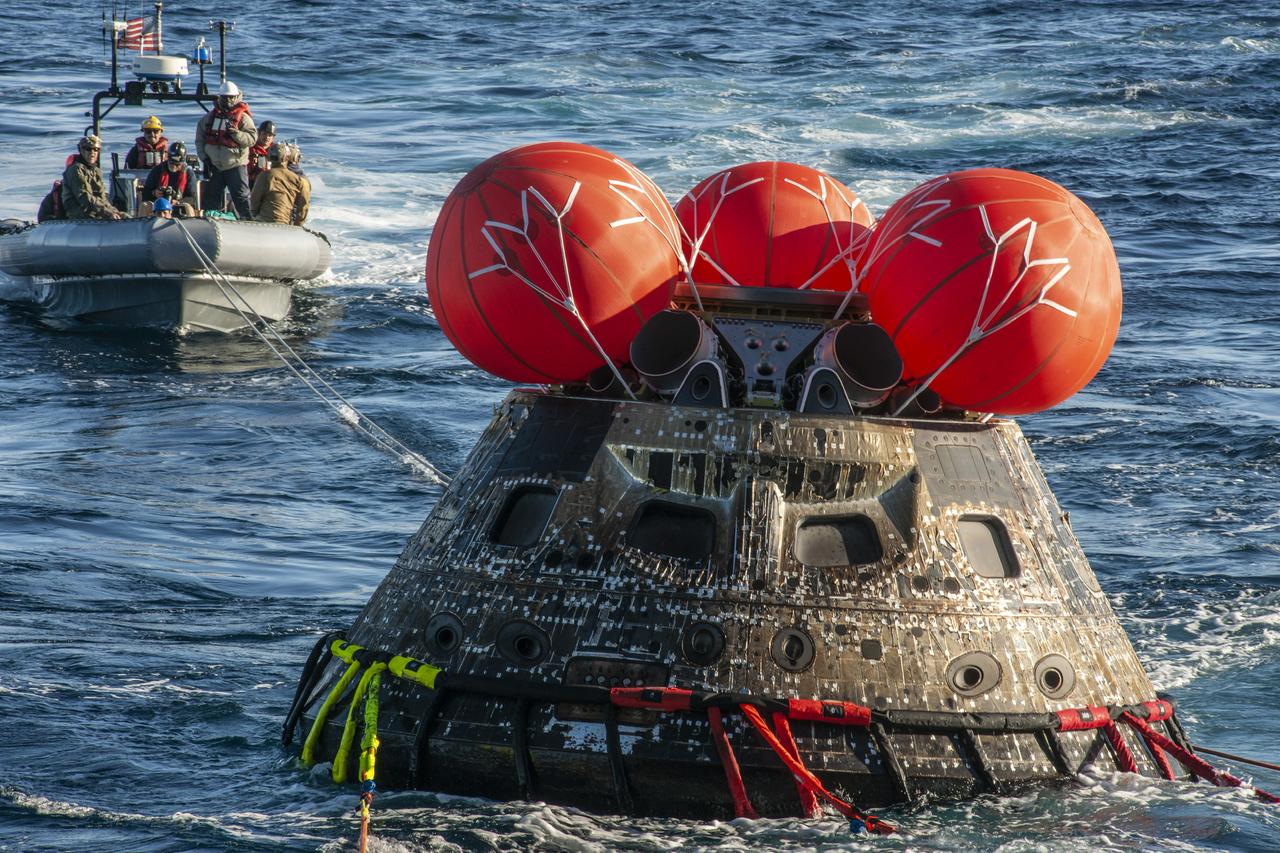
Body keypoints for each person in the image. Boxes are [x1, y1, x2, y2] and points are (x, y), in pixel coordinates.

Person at [195, 79, 256, 219]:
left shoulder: (243, 119)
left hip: (235, 165)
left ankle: (247, 222)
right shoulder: (210, 118)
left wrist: (236, 134)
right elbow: (200, 139)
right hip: (215, 165)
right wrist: (204, 158)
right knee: (210, 198)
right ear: (219, 98)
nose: (227, 101)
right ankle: (209, 220)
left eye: (230, 98)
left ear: (236, 98)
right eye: (224, 98)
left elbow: (252, 139)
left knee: (241, 198)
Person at [60, 135, 122, 220]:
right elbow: (84, 197)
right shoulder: (76, 169)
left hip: (94, 209)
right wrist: (107, 213)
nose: (92, 152)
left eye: (96, 149)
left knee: (124, 216)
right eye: (88, 149)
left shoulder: (97, 171)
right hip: (77, 209)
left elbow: (102, 198)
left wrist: (113, 211)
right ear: (81, 150)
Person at [249, 143, 309, 225]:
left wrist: (254, 217)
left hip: (263, 221)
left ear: (269, 157)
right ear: (287, 158)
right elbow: (304, 207)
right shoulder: (299, 180)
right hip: (285, 223)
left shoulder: (264, 175)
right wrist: (297, 225)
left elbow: (254, 201)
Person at [141, 141, 197, 217]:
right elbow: (145, 193)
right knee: (144, 205)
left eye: (177, 164)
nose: (174, 166)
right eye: (172, 163)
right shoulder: (157, 171)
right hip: (158, 206)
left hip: (178, 206)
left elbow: (192, 198)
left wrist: (178, 201)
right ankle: (142, 227)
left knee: (187, 207)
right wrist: (155, 193)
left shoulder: (188, 173)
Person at [247, 120, 275, 187]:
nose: (267, 137)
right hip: (252, 184)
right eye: (264, 134)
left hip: (271, 184)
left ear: (273, 137)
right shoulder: (250, 149)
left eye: (270, 135)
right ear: (258, 133)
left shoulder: (276, 151)